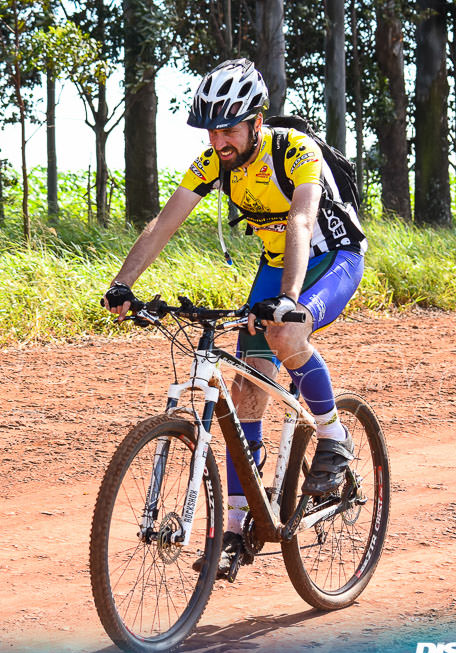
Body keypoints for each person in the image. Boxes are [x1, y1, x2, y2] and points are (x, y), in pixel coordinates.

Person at [101, 58, 367, 578]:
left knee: (287, 331)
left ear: (256, 122)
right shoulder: (213, 163)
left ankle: (335, 438)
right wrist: (123, 283)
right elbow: (163, 223)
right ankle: (238, 528)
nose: (219, 139)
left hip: (332, 258)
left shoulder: (295, 151)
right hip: (276, 265)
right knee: (246, 387)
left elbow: (301, 218)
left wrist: (288, 298)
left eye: (229, 128)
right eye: (212, 129)